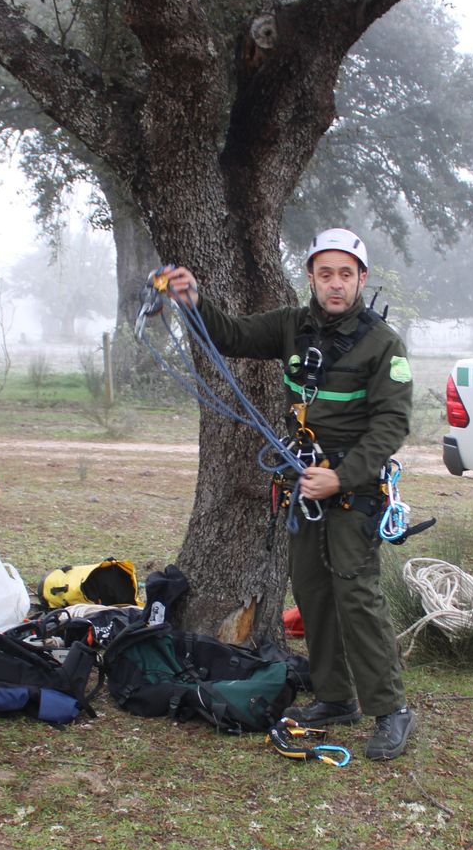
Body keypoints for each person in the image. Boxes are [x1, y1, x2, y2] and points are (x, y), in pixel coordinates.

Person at [159, 229, 418, 761]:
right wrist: (194, 302)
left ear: (362, 279)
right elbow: (229, 336)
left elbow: (392, 425)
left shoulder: (382, 344)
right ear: (312, 278)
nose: (336, 284)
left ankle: (391, 709)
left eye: (346, 274)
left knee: (357, 596)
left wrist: (342, 477)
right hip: (302, 485)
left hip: (353, 490)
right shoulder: (290, 326)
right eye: (326, 274)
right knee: (314, 593)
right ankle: (334, 697)